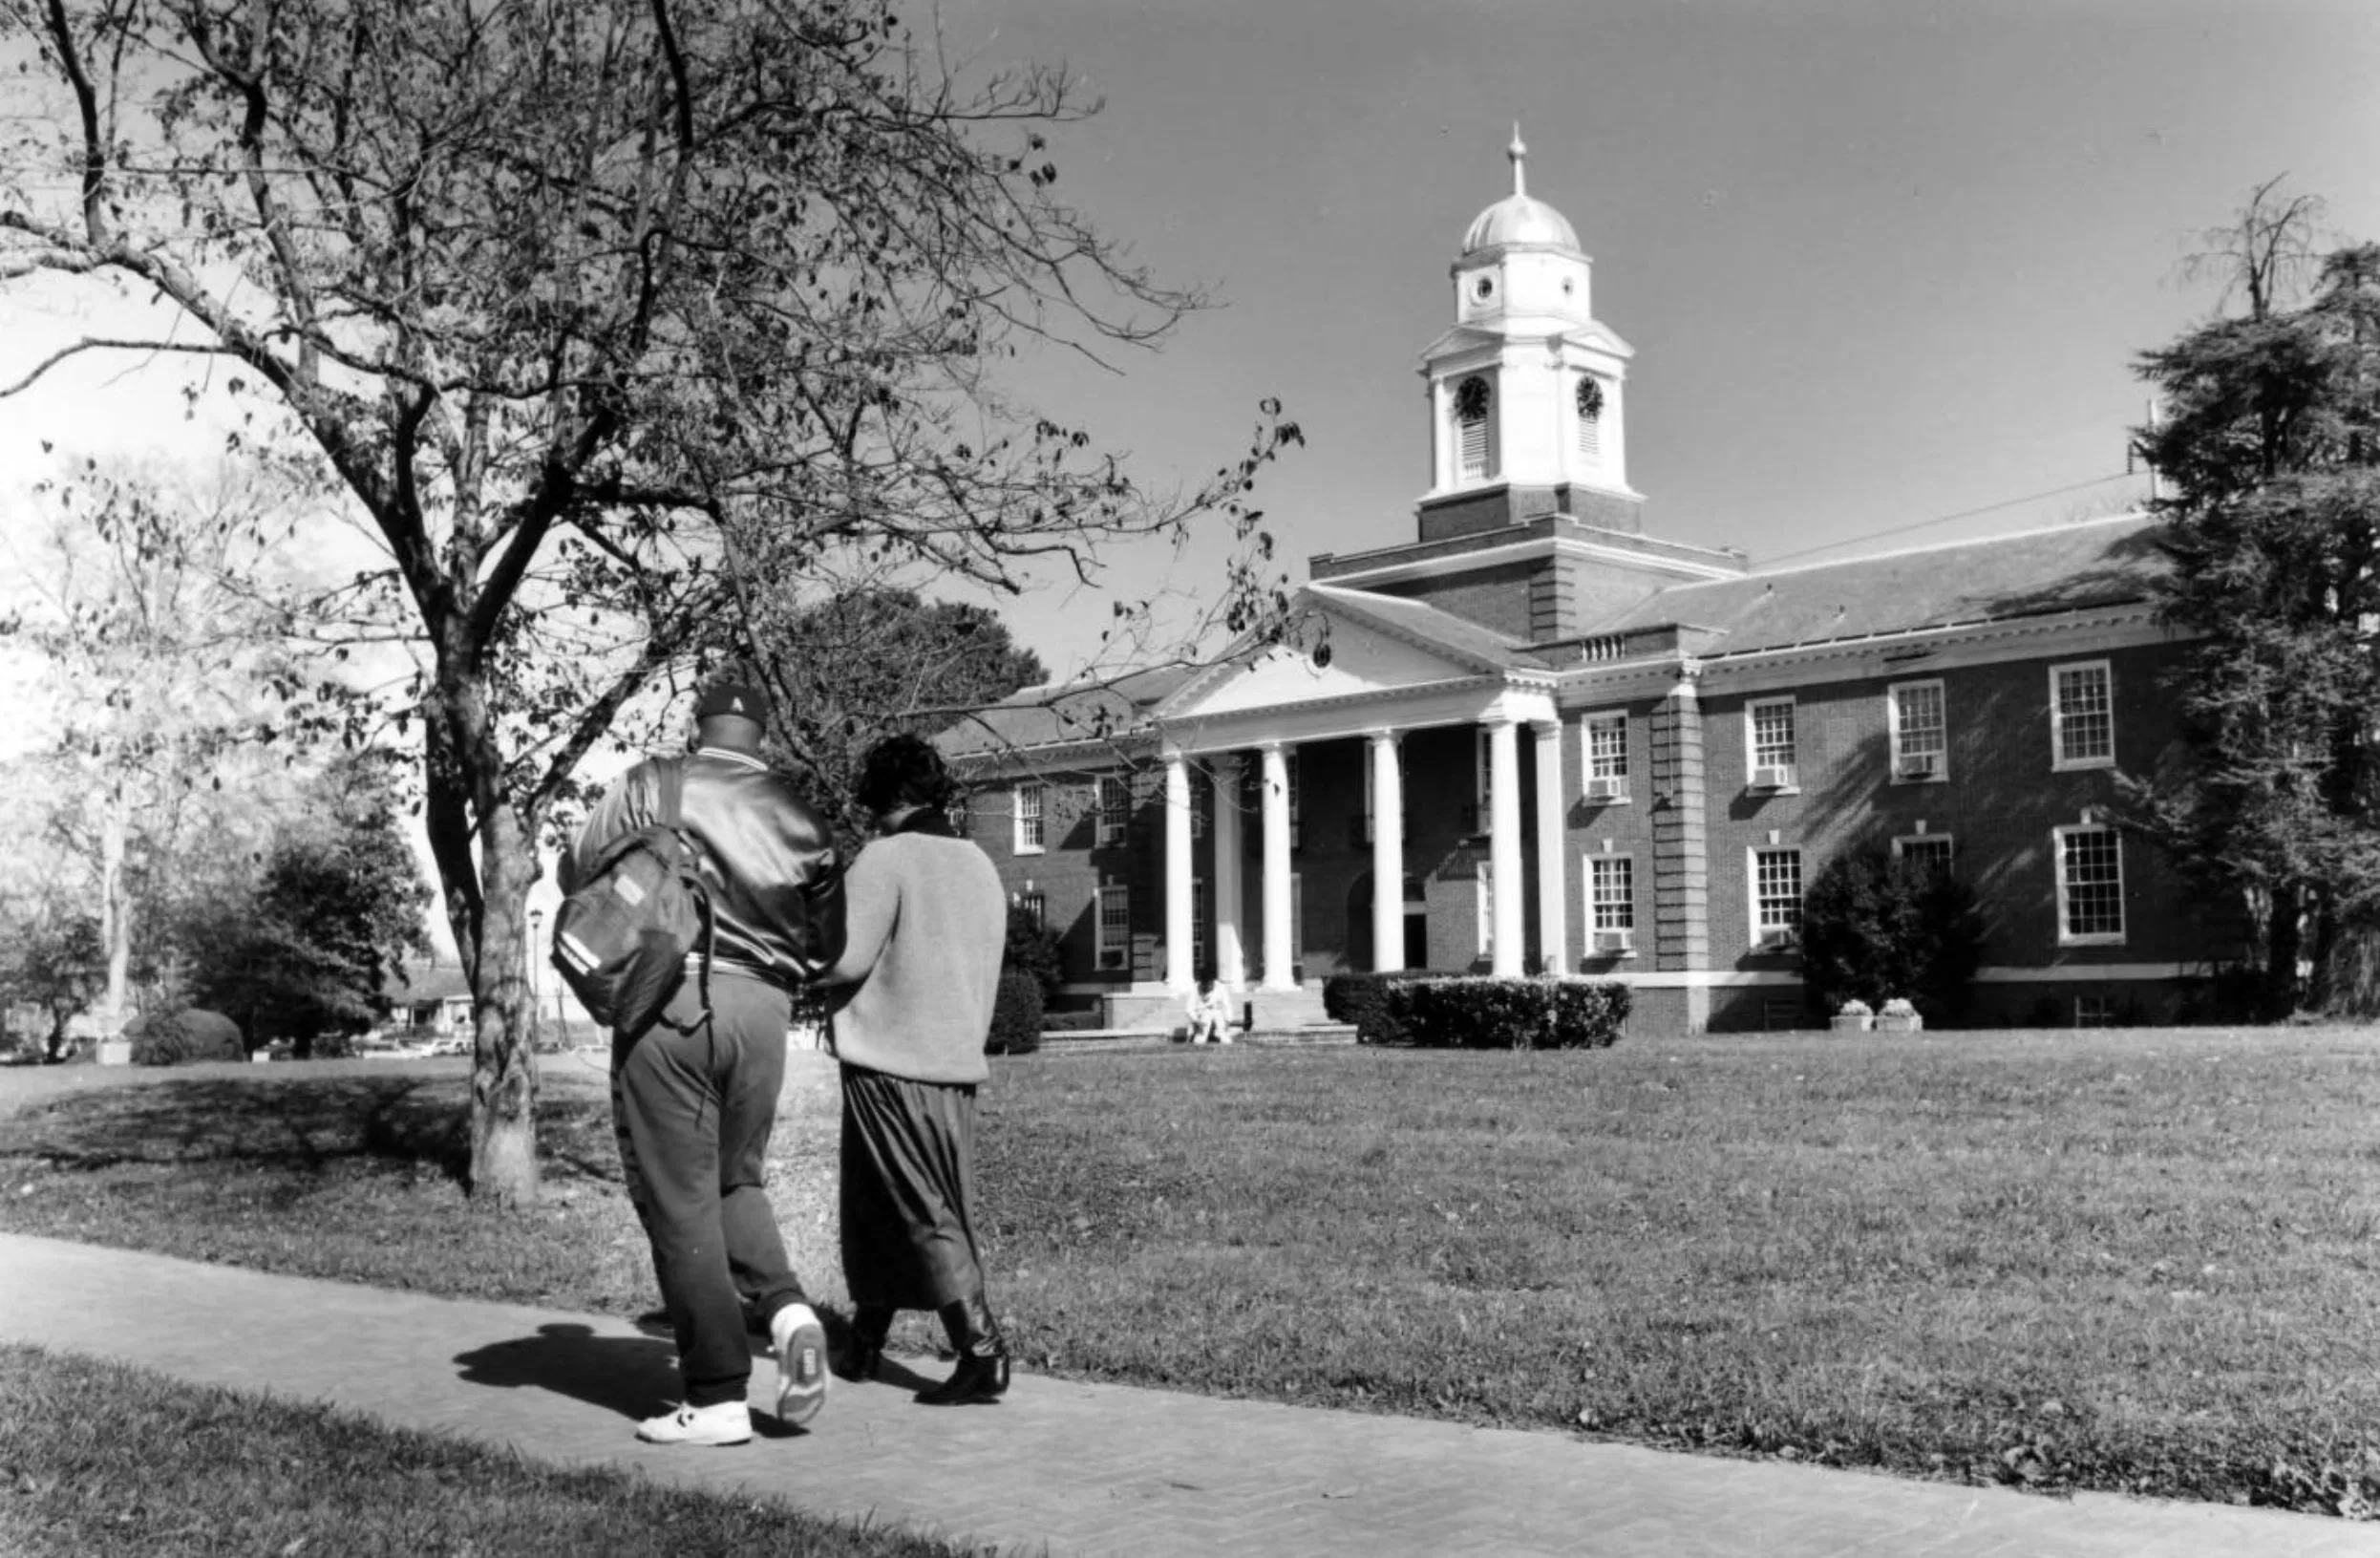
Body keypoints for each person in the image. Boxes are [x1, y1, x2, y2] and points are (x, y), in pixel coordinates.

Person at [563, 676, 844, 1446]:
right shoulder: (804, 817)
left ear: (698, 726)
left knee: (680, 1197)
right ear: (766, 738)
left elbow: (578, 865)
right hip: (764, 1014)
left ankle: (718, 1394)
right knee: (734, 1180)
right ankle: (790, 1319)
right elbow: (830, 947)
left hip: (671, 999)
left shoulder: (653, 783)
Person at [823, 733, 1013, 1405]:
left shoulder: (886, 857)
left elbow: (843, 957)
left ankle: (982, 1349)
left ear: (886, 794)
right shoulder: (979, 864)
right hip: (955, 1060)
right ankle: (866, 1341)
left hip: (890, 1060)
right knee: (885, 1204)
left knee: (919, 1205)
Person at [1184, 975, 1235, 1045]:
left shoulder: (1221, 987)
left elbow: (1227, 1005)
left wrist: (1228, 1020)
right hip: (1202, 1014)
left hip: (1217, 1013)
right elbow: (1189, 1008)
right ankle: (1200, 1038)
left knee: (1225, 1038)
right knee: (1200, 1038)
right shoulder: (1195, 988)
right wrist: (1196, 1021)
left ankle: (1223, 1037)